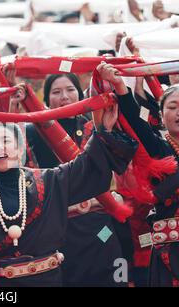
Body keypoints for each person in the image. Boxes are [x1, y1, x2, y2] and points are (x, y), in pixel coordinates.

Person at [0, 104, 138, 286]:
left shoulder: (50, 180)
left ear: (20, 147)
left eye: (5, 140)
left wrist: (104, 130)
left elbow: (85, 164)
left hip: (48, 280)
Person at [97, 62, 179, 287]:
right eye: (172, 107)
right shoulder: (158, 150)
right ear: (161, 117)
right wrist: (120, 85)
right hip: (170, 258)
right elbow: (136, 122)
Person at [26, 73, 128, 287]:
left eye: (70, 90)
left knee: (110, 271)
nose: (64, 96)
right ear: (45, 99)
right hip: (60, 227)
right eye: (56, 92)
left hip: (99, 223)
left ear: (80, 93)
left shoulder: (95, 125)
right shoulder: (34, 133)